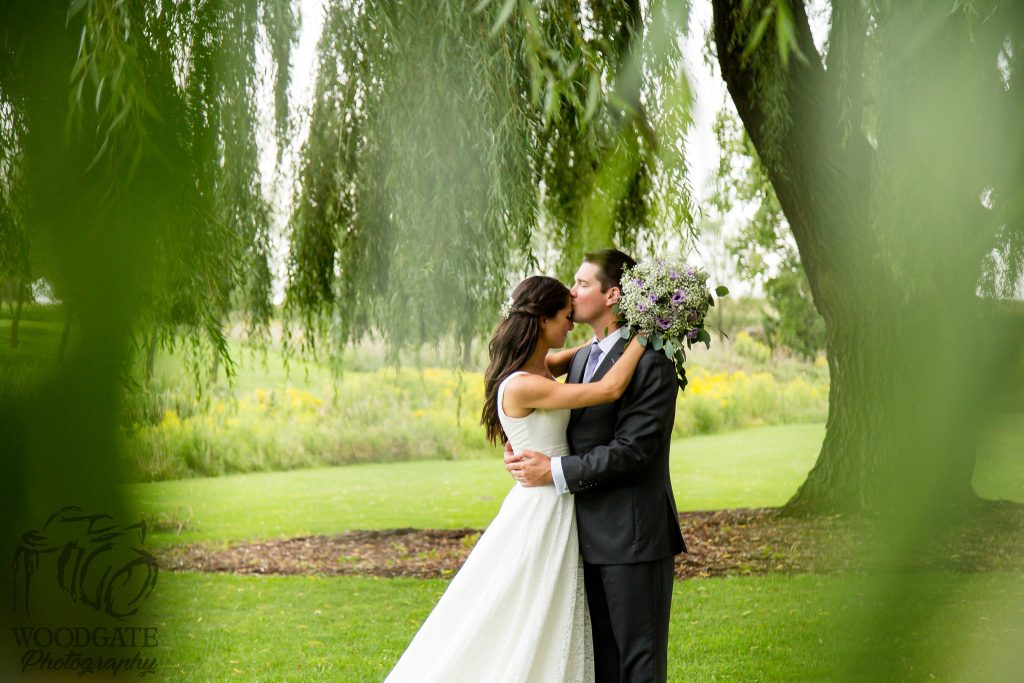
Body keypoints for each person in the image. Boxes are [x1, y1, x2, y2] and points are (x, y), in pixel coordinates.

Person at [385, 275, 644, 683]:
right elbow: (610, 388)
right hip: (543, 506)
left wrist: (617, 337)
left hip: (554, 497)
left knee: (549, 608)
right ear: (542, 321)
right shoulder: (524, 385)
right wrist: (647, 334)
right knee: (528, 608)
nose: (569, 324)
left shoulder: (537, 368)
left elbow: (590, 354)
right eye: (563, 317)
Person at [506, 249, 686, 683]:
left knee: (638, 664)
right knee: (599, 662)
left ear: (613, 295)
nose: (571, 291)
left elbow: (633, 450)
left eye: (583, 284)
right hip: (583, 536)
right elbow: (555, 414)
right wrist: (521, 444)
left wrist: (553, 471)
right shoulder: (585, 357)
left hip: (633, 536)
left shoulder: (652, 359)